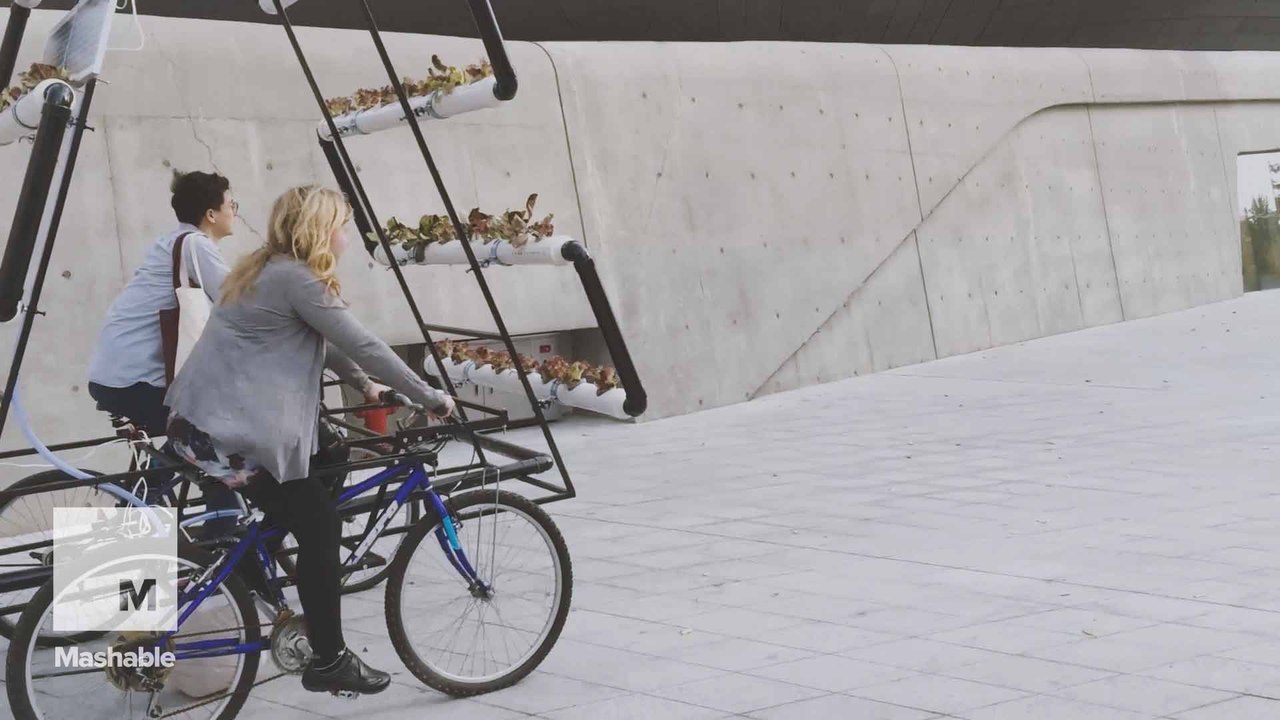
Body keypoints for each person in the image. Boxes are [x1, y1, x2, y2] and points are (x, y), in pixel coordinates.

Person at [164, 184, 455, 696]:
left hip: (198, 424)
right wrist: (430, 396)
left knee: (329, 457)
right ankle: (329, 659)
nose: (346, 233)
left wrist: (366, 386)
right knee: (320, 524)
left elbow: (325, 339)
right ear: (321, 230)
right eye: (342, 224)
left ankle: (253, 566)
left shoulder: (264, 268)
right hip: (224, 438)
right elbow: (362, 342)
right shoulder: (299, 280)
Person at [87, 170, 239, 526]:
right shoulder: (195, 245)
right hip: (133, 379)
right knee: (213, 444)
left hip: (117, 374)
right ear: (211, 214)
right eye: (232, 203)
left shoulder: (174, 242)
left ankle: (134, 518)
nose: (235, 210)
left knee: (197, 443)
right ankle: (220, 555)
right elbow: (240, 304)